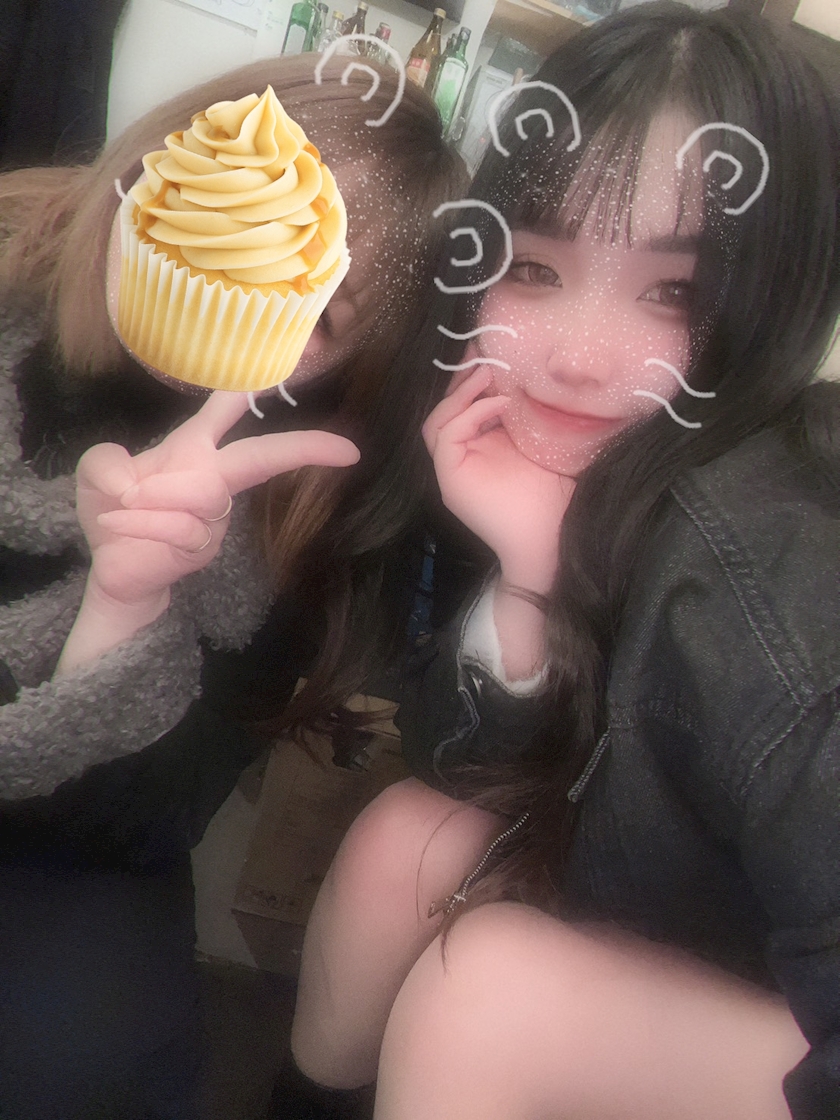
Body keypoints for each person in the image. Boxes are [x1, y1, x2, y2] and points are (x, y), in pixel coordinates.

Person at [290, 6, 840, 1119]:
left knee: (486, 996)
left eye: (677, 291)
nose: (578, 359)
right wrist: (531, 577)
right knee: (407, 843)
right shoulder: (583, 472)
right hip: (687, 926)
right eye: (535, 268)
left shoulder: (766, 577)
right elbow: (472, 763)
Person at [0, 53, 464, 1119]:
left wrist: (123, 609)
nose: (227, 298)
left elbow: (140, 824)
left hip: (67, 842)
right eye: (209, 227)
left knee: (82, 1055)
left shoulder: (301, 502)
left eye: (313, 311)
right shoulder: (16, 269)